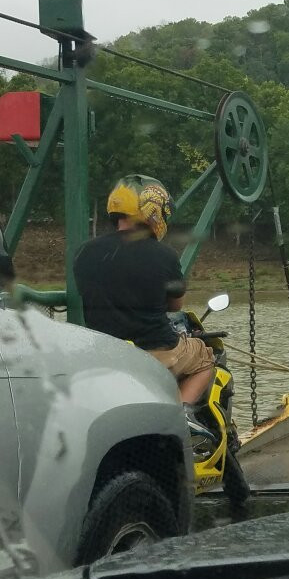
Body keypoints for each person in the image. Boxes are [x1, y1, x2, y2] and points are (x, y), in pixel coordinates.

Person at [74, 174, 215, 409]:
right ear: (152, 209)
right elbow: (176, 305)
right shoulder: (164, 255)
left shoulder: (84, 253)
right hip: (156, 349)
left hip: (105, 354)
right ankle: (181, 414)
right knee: (204, 359)